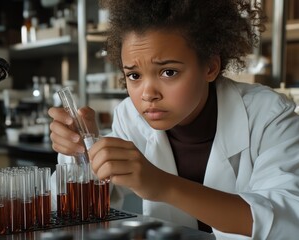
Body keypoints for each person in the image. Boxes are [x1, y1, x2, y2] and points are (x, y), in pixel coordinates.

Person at [48, 0, 299, 239]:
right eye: (134, 75)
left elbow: (287, 223)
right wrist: (83, 155)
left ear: (210, 67)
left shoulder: (269, 115)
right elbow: (83, 211)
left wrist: (163, 185)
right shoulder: (130, 117)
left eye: (168, 72)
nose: (148, 94)